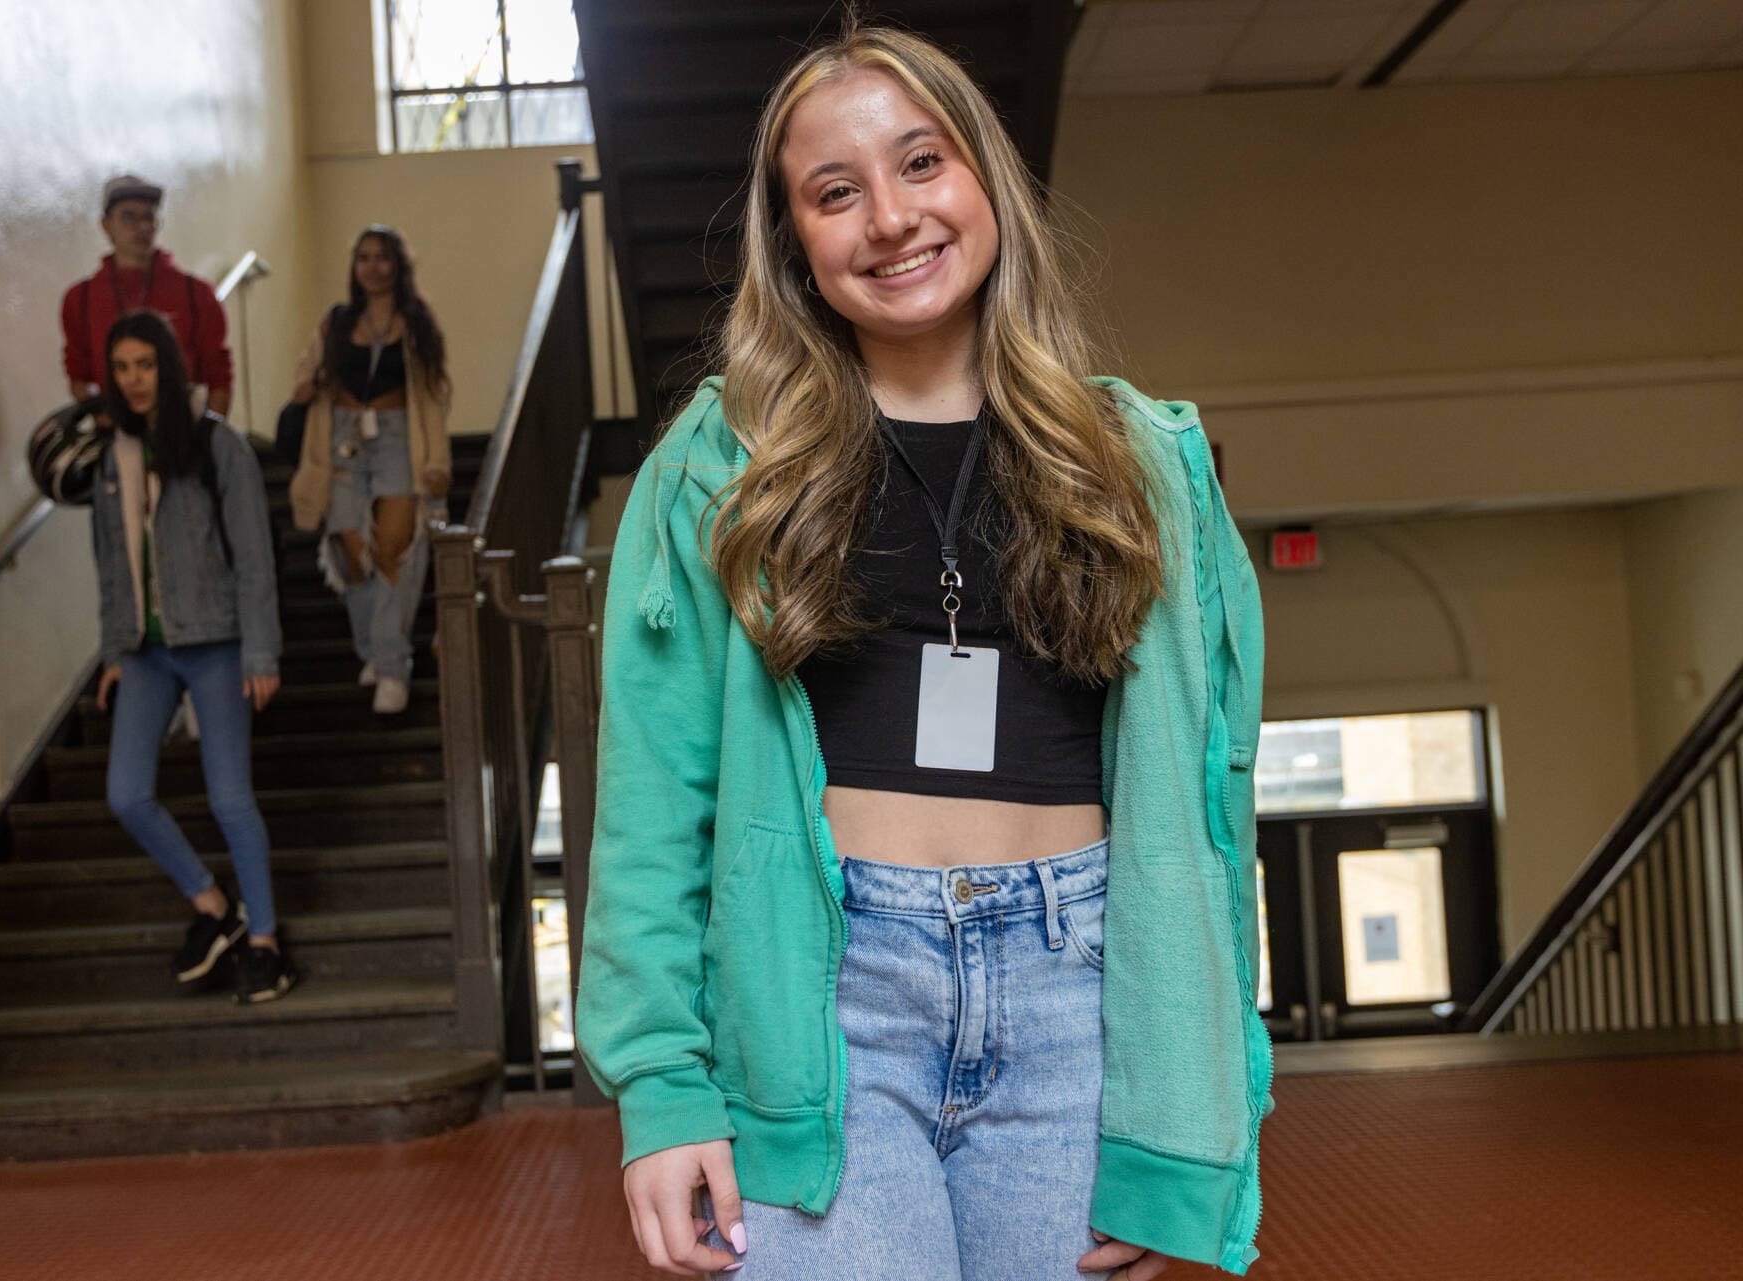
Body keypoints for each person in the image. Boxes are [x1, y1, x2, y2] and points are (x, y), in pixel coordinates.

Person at [575, 24, 1268, 1281]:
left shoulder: (1143, 462)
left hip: (1082, 1000)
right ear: (795, 247)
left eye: (921, 165)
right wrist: (662, 1087)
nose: (889, 218)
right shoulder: (722, 469)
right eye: (835, 194)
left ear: (986, 179)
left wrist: (1186, 1126)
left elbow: (1209, 809)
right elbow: (648, 804)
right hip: (824, 1006)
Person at [90, 311, 296, 1004]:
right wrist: (117, 649)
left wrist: (261, 651)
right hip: (147, 653)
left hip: (217, 644)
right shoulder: (112, 459)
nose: (134, 380)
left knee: (230, 798)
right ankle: (213, 905)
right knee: (126, 793)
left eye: (145, 365)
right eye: (121, 368)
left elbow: (254, 556)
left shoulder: (216, 445)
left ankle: (265, 939)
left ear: (168, 367)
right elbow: (113, 564)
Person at [286, 225, 452, 716]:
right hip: (342, 439)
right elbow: (303, 376)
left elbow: (433, 399)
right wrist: (307, 385)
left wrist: (437, 463)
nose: (373, 266)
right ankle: (373, 652)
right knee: (350, 553)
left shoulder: (418, 322)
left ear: (398, 265)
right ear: (354, 267)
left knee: (394, 552)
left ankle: (392, 666)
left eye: (383, 257)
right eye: (364, 257)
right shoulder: (335, 322)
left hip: (400, 438)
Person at [62, 175, 233, 416]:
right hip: (115, 435)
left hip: (183, 430)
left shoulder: (196, 294)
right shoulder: (80, 299)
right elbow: (78, 375)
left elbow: (219, 376)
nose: (142, 227)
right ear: (106, 225)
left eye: (148, 217)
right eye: (129, 217)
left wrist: (206, 440)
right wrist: (105, 417)